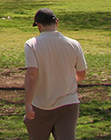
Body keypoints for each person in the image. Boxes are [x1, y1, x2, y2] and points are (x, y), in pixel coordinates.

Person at [23, 8, 87, 140]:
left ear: (39, 25)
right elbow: (81, 74)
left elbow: (32, 75)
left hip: (40, 104)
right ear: (57, 22)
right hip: (68, 104)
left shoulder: (32, 44)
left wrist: (28, 103)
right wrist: (66, 80)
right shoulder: (74, 44)